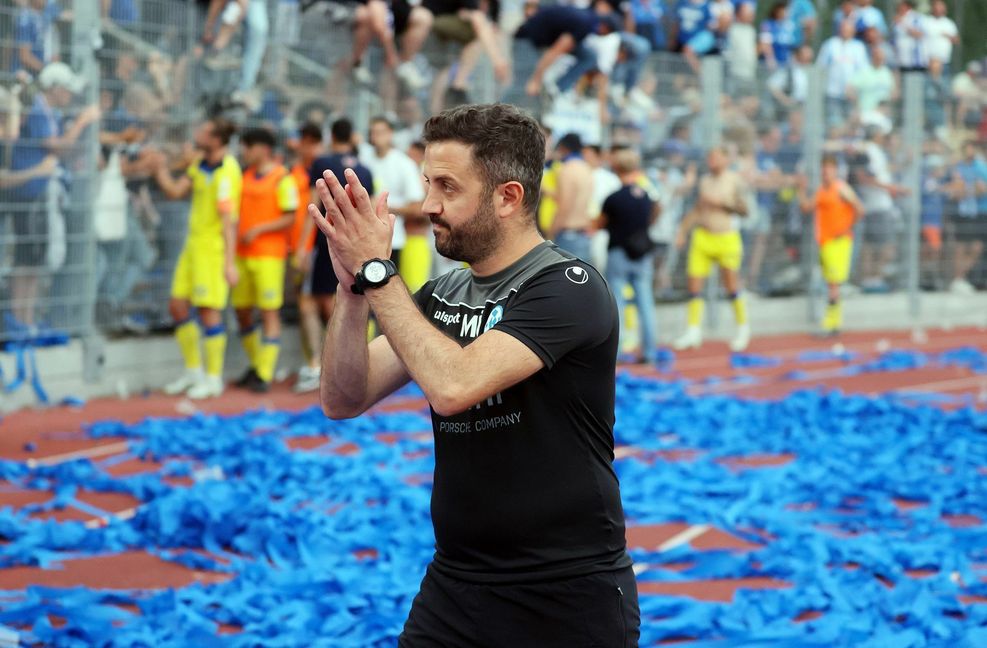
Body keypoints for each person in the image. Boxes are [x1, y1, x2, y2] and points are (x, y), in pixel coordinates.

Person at [309, 102, 639, 647]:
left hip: (565, 593)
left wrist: (377, 269)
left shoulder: (569, 287)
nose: (429, 204)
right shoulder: (441, 295)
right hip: (455, 585)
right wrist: (351, 289)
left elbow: (453, 386)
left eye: (448, 187)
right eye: (427, 183)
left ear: (508, 197)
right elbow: (344, 397)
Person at [153, 117, 243, 399]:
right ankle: (193, 372)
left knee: (208, 311)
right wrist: (159, 169)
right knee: (177, 306)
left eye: (204, 131)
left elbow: (229, 222)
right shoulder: (199, 164)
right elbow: (176, 191)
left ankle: (213, 378)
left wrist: (229, 262)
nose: (198, 133)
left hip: (212, 250)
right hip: (192, 247)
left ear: (217, 139)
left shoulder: (228, 172)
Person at [8, 63, 99, 329]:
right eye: (67, 89)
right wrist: (82, 121)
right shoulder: (37, 107)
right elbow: (56, 147)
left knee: (35, 260)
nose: (70, 95)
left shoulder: (49, 110)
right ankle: (18, 319)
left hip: (41, 193)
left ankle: (28, 320)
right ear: (55, 87)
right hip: (29, 194)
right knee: (26, 260)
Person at [232, 127, 297, 393]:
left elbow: (290, 216)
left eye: (248, 146)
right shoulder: (245, 176)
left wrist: (259, 230)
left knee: (269, 311)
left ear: (263, 149)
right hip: (241, 254)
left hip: (269, 255)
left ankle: (265, 373)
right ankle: (257, 364)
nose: (244, 152)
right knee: (242, 311)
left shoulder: (282, 178)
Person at [297, 118, 374, 341]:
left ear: (331, 136)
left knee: (323, 299)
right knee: (352, 295)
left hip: (327, 241)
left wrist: (303, 246)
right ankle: (360, 345)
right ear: (351, 137)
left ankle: (341, 347)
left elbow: (312, 210)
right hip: (356, 241)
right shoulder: (365, 169)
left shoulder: (322, 163)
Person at [673, 146, 751, 352]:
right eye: (710, 158)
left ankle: (742, 328)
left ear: (725, 160)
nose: (712, 162)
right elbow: (698, 209)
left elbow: (745, 210)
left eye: (716, 158)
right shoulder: (704, 181)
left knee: (731, 285)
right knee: (694, 285)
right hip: (703, 237)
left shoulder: (734, 180)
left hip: (726, 237)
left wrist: (723, 203)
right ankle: (693, 330)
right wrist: (682, 230)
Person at [600, 149, 660, 364]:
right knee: (646, 302)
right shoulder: (646, 195)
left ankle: (616, 354)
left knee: (617, 304)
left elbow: (600, 222)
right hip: (642, 253)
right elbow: (656, 211)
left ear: (616, 169)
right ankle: (650, 351)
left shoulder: (613, 199)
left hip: (618, 252)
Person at [798, 155, 863, 336]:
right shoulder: (820, 191)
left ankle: (830, 323)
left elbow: (859, 208)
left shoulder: (841, 189)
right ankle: (835, 322)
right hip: (825, 242)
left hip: (839, 243)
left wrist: (846, 227)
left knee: (833, 284)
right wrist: (801, 190)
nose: (825, 173)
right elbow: (806, 207)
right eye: (823, 169)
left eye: (829, 169)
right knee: (831, 284)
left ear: (835, 170)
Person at [363, 116, 428, 291]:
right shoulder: (364, 160)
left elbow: (417, 206)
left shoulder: (403, 164)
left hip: (394, 240)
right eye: (373, 132)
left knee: (388, 291)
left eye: (381, 132)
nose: (377, 137)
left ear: (390, 134)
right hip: (364, 238)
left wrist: (383, 208)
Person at [289, 123, 326, 393]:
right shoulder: (292, 172)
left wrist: (304, 247)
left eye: (311, 141)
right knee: (305, 305)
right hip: (298, 248)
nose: (306, 146)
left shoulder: (324, 170)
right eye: (304, 141)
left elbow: (313, 213)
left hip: (316, 248)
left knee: (318, 306)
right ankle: (315, 364)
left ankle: (319, 366)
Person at [517, 3, 619, 97]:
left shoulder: (588, 17)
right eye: (607, 33)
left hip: (543, 36)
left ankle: (557, 88)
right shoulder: (585, 24)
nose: (604, 36)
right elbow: (555, 51)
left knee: (590, 56)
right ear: (605, 27)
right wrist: (536, 79)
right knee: (520, 86)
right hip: (527, 39)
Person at [548, 133, 595, 262]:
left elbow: (564, 206)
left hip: (567, 234)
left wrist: (551, 232)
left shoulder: (567, 170)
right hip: (583, 234)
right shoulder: (586, 169)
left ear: (563, 148)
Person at [947, 141, 987, 295]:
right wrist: (971, 190)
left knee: (976, 247)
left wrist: (968, 190)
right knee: (961, 247)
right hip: (962, 212)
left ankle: (961, 277)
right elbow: (955, 191)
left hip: (978, 212)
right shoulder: (958, 167)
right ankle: (958, 278)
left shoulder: (980, 167)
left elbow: (982, 189)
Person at [816, 18, 869, 128]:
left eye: (848, 29)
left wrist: (854, 87)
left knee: (851, 124)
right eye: (843, 29)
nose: (845, 31)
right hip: (832, 93)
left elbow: (864, 71)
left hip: (852, 95)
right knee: (835, 125)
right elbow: (820, 67)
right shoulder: (830, 44)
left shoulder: (859, 47)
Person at [759, 1, 797, 72]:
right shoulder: (768, 25)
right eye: (782, 10)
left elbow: (791, 48)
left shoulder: (789, 27)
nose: (784, 13)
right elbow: (766, 45)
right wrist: (771, 60)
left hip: (785, 63)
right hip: (771, 65)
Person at [891, 0, 927, 73]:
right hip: (899, 59)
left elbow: (920, 34)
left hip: (913, 60)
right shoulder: (896, 19)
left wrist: (903, 24)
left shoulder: (916, 17)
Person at [924, 0, 958, 75]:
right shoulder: (926, 21)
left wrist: (948, 35)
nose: (938, 8)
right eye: (936, 6)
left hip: (944, 62)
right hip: (928, 62)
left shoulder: (949, 23)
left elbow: (956, 40)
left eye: (940, 6)